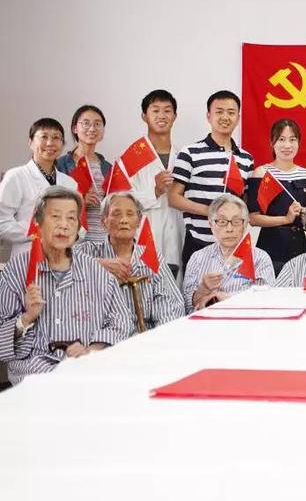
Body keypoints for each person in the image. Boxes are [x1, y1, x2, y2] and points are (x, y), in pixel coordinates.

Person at [0, 186, 132, 385]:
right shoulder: (17, 269)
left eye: (71, 218)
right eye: (55, 216)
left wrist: (92, 350)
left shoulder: (94, 270)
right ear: (37, 222)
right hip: (35, 374)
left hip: (87, 370)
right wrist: (26, 318)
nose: (64, 225)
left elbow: (121, 322)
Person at [73, 192, 188, 328]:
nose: (124, 220)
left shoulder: (150, 256)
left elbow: (170, 304)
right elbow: (59, 263)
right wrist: (98, 264)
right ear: (104, 221)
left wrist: (157, 335)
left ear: (139, 220)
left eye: (130, 214)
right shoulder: (87, 251)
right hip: (103, 333)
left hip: (146, 334)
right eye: (116, 214)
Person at [170, 90, 254, 272]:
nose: (225, 117)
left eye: (231, 112)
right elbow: (174, 198)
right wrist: (211, 212)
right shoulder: (190, 152)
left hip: (233, 244)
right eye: (219, 111)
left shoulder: (246, 158)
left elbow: (244, 201)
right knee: (196, 290)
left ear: (238, 118)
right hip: (198, 241)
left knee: (234, 289)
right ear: (209, 116)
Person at [126, 89, 184, 279]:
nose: (162, 116)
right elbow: (118, 202)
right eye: (155, 110)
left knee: (177, 287)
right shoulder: (131, 157)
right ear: (144, 116)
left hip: (178, 236)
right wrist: (155, 191)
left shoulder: (184, 156)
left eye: (167, 110)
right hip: (144, 238)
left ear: (174, 116)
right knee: (146, 285)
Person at [0, 118, 78, 256]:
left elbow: (77, 222)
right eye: (44, 137)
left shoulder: (70, 183)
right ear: (30, 142)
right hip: (27, 257)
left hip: (61, 259)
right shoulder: (16, 176)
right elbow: (2, 222)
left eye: (56, 138)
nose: (50, 143)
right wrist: (37, 230)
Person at [183, 194, 275, 310]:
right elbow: (187, 306)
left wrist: (229, 300)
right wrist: (203, 289)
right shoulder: (198, 258)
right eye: (222, 222)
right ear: (211, 225)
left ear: (245, 224)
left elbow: (265, 301)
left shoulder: (260, 258)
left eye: (236, 221)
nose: (229, 229)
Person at [247, 119, 306, 276]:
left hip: (299, 246)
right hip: (271, 245)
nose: (287, 145)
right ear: (272, 142)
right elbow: (253, 218)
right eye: (281, 139)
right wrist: (286, 219)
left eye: (292, 140)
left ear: (299, 143)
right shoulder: (262, 173)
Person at [55, 105, 112, 242]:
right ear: (75, 128)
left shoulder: (108, 167)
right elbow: (52, 205)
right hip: (74, 240)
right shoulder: (61, 165)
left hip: (104, 241)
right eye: (86, 123)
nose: (92, 129)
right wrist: (80, 203)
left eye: (97, 124)